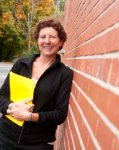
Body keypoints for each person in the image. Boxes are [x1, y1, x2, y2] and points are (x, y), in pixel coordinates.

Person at [0, 19, 73, 150]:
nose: (47, 41)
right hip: (5, 137)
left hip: (38, 144)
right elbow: (2, 96)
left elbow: (60, 114)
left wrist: (29, 117)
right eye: (42, 37)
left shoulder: (64, 74)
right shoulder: (21, 64)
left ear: (61, 42)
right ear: (37, 40)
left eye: (52, 37)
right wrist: (11, 106)